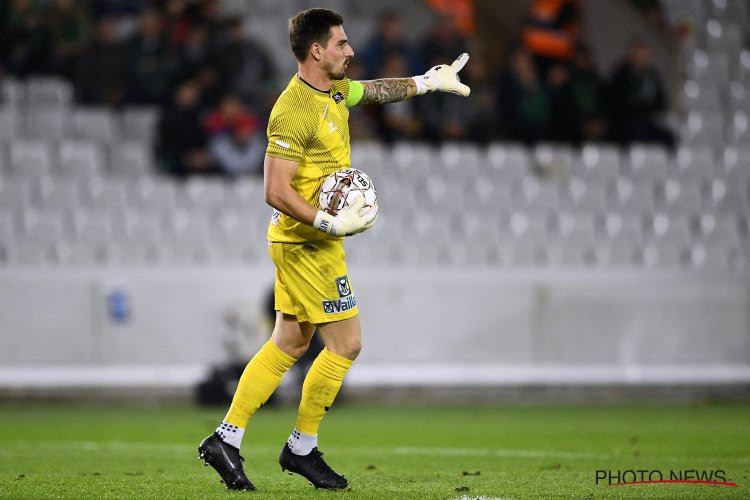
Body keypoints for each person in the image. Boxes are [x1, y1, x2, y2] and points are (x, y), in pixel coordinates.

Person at [197, 7, 470, 492]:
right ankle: (300, 447)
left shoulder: (337, 91)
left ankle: (227, 438)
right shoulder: (291, 108)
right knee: (346, 344)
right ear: (316, 51)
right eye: (341, 44)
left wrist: (428, 82)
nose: (350, 50)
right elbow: (275, 190)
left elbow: (377, 90)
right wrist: (329, 220)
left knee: (289, 343)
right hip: (306, 245)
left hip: (313, 243)